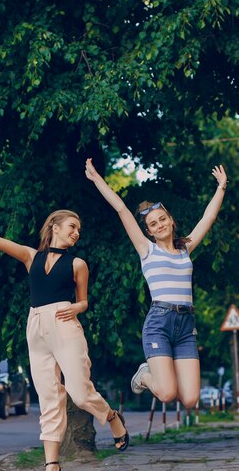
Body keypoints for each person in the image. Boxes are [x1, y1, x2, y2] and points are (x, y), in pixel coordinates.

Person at [0, 196, 129, 471]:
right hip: (36, 328)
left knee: (79, 392)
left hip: (65, 324)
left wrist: (77, 308)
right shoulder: (31, 257)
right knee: (48, 399)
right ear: (55, 226)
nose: (76, 232)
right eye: (72, 226)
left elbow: (84, 300)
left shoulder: (78, 263)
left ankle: (111, 416)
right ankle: (52, 469)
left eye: (79, 230)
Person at [85, 158, 227, 410]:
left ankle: (158, 371)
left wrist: (221, 187)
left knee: (191, 399)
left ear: (171, 220)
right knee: (166, 393)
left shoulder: (186, 248)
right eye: (153, 224)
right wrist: (98, 180)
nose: (159, 225)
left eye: (162, 219)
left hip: (186, 326)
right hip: (159, 323)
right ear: (149, 231)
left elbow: (208, 217)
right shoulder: (146, 250)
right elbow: (122, 210)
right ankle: (144, 374)